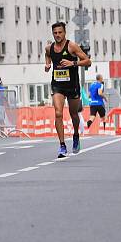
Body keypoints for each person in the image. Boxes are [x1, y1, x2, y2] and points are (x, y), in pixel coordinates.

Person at [45, 22, 91, 158]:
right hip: (57, 85)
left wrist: (73, 63)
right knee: (58, 113)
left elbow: (88, 61)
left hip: (72, 85)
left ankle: (76, 134)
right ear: (52, 34)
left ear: (64, 33)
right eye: (55, 33)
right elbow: (47, 55)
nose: (58, 35)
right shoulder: (49, 48)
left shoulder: (71, 46)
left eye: (60, 32)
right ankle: (62, 145)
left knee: (74, 114)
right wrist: (47, 64)